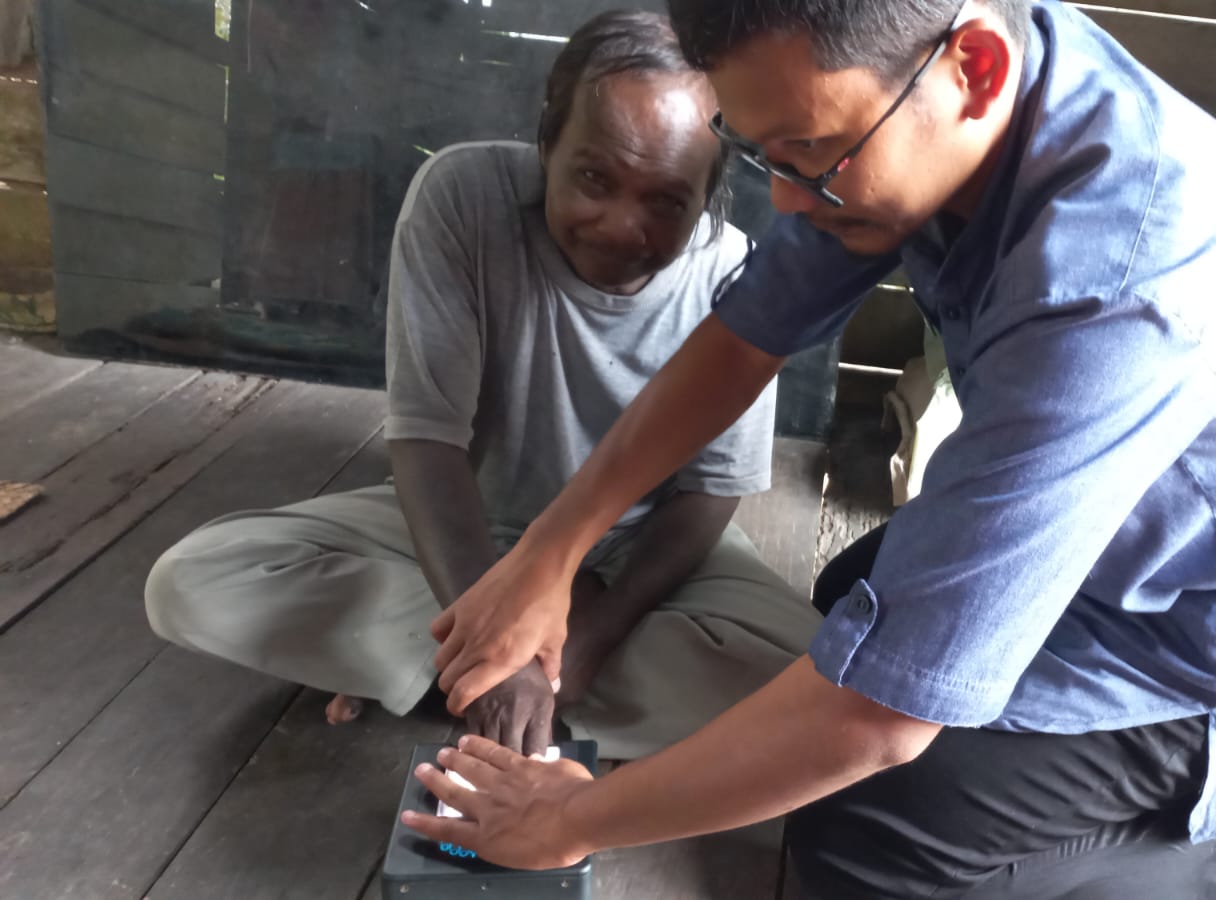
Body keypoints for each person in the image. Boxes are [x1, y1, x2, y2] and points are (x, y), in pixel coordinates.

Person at [403, 1, 1216, 898]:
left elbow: (878, 723)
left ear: (973, 71)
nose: (787, 201)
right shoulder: (936, 80)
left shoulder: (1118, 283)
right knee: (851, 598)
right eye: (764, 156)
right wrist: (551, 552)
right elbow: (748, 336)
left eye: (810, 155)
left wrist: (570, 820)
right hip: (1121, 544)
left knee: (867, 823)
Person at [143, 10, 820, 761]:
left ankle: (437, 673)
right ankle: (507, 680)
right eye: (594, 178)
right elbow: (427, 442)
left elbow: (708, 494)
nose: (620, 226)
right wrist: (498, 630)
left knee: (817, 689)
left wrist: (590, 633)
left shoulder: (737, 276)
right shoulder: (464, 198)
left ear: (710, 190)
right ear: (547, 144)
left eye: (666, 201)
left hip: (642, 544)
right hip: (476, 527)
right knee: (192, 582)